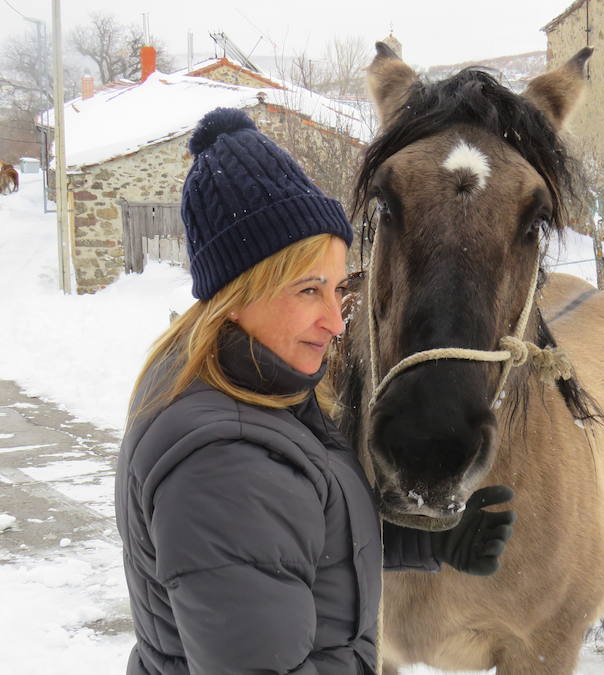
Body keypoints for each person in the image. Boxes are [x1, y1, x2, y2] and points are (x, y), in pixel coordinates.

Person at [114, 107, 516, 675]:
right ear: (237, 293)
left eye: (338, 286)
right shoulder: (226, 464)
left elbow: (282, 545)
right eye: (308, 290)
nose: (335, 319)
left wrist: (424, 545)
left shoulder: (246, 387)